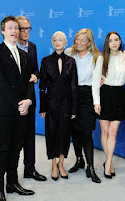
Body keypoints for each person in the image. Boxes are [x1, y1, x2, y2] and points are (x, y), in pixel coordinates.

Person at [0, 15, 46, 182]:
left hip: (23, 107)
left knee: (18, 146)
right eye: (12, 28)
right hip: (6, 108)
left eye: (18, 28)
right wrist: (19, 105)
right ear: (3, 31)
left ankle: (14, 181)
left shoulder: (26, 53)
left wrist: (29, 100)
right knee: (4, 148)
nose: (16, 31)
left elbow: (30, 76)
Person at [65, 28, 103, 183]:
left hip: (87, 95)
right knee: (74, 130)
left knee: (86, 132)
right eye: (77, 39)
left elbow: (95, 82)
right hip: (70, 96)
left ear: (89, 42)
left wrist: (96, 103)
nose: (78, 43)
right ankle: (79, 160)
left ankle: (90, 166)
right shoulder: (68, 53)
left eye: (82, 40)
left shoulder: (96, 57)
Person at [39, 31, 78, 181]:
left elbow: (74, 86)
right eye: (54, 40)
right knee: (51, 133)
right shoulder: (46, 61)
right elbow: (42, 86)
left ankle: (62, 164)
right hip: (51, 104)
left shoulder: (71, 62)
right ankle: (53, 164)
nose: (57, 42)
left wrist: (74, 108)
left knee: (64, 133)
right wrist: (42, 107)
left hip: (67, 104)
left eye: (60, 40)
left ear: (65, 42)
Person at [92, 32, 125, 179]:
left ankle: (107, 163)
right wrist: (97, 102)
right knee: (105, 132)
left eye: (116, 40)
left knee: (113, 132)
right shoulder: (102, 58)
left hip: (119, 94)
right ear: (107, 44)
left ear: (120, 41)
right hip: (105, 94)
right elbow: (96, 82)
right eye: (110, 41)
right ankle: (109, 163)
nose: (113, 43)